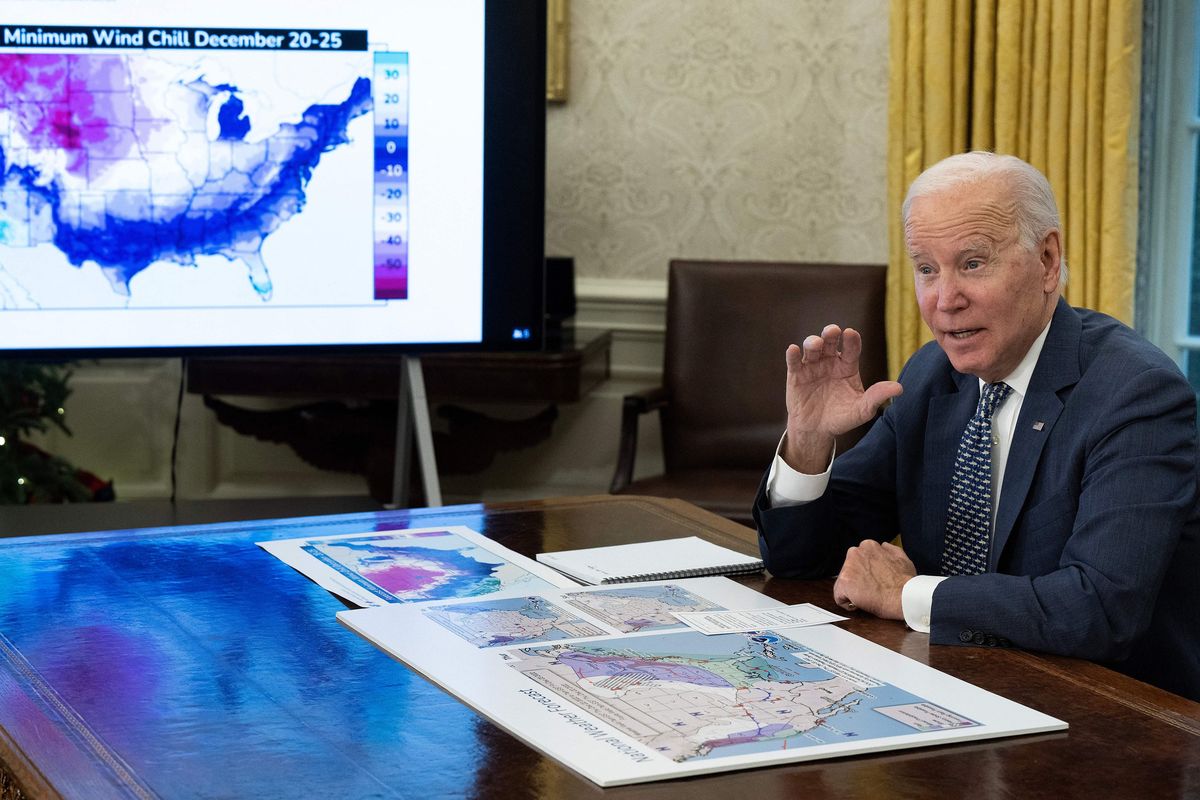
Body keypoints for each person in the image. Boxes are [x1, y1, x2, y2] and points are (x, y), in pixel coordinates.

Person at [754, 151, 1200, 701]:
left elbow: (1100, 611)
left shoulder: (1136, 393)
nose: (945, 300)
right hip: (955, 687)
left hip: (1108, 710)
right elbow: (800, 561)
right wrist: (808, 440)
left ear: (1046, 259)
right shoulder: (931, 375)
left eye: (972, 263)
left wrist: (909, 595)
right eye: (926, 269)